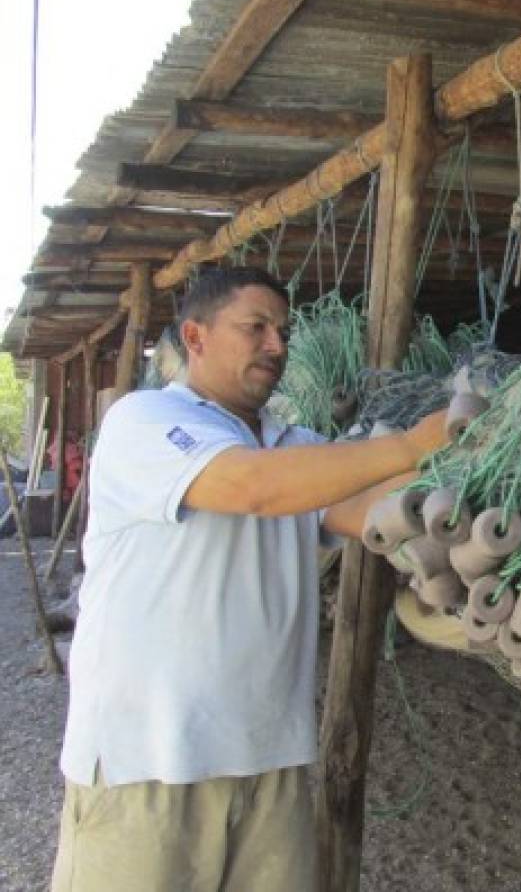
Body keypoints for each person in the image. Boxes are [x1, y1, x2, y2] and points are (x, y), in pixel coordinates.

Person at [51, 267, 447, 892]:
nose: (277, 346)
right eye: (255, 327)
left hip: (270, 763)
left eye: (282, 331)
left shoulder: (298, 447)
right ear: (195, 336)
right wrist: (413, 445)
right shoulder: (143, 422)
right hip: (148, 763)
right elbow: (250, 488)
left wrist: (478, 465)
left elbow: (367, 507)